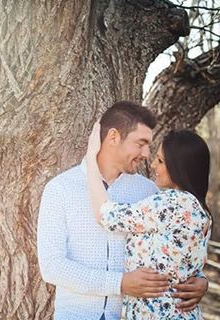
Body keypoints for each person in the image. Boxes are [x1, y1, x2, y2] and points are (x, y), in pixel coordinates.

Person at [37, 101, 208, 320]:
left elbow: (179, 243)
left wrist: (200, 279)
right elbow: (52, 266)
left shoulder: (149, 192)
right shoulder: (60, 189)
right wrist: (119, 283)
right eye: (141, 143)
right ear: (114, 137)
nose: (147, 153)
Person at [86, 122, 211, 319]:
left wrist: (91, 161)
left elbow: (105, 214)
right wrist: (202, 281)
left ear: (179, 167)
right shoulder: (199, 210)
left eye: (160, 161)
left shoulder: (173, 203)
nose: (152, 165)